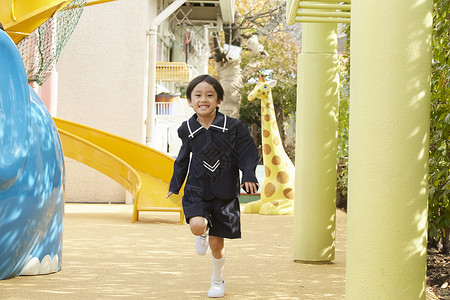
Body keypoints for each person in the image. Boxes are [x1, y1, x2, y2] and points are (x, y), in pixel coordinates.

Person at [167, 74, 259, 298]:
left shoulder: (234, 128)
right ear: (190, 101)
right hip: (197, 190)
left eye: (210, 95)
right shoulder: (187, 129)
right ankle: (202, 231)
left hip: (225, 193)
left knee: (217, 246)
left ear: (218, 101)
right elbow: (182, 159)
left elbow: (248, 153)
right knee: (197, 225)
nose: (203, 99)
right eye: (197, 95)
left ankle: (217, 280)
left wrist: (248, 174)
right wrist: (175, 185)